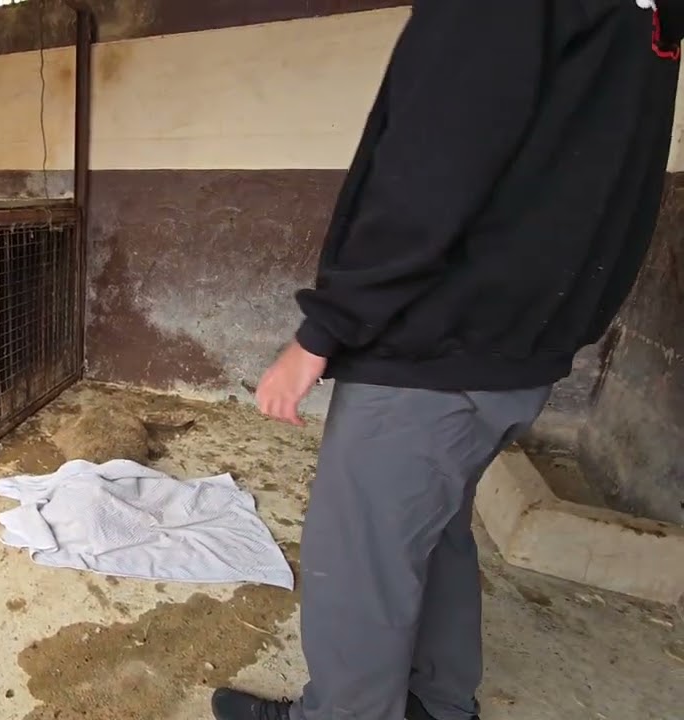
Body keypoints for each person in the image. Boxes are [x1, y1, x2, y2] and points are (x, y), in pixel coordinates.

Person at [211, 1, 684, 719]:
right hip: (522, 342)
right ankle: (437, 701)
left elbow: (432, 160)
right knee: (433, 530)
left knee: (361, 561)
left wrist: (323, 331)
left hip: (435, 337)